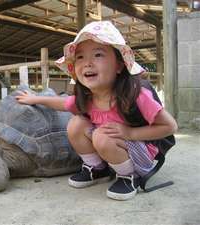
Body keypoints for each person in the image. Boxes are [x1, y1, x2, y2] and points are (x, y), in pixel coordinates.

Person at [15, 21, 177, 201]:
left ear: (119, 65)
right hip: (114, 145)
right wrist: (35, 99)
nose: (87, 63)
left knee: (102, 135)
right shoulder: (88, 97)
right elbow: (62, 103)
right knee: (76, 124)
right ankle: (97, 169)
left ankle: (129, 176)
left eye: (98, 55)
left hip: (143, 152)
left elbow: (170, 126)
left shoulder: (136, 95)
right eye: (80, 57)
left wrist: (130, 132)